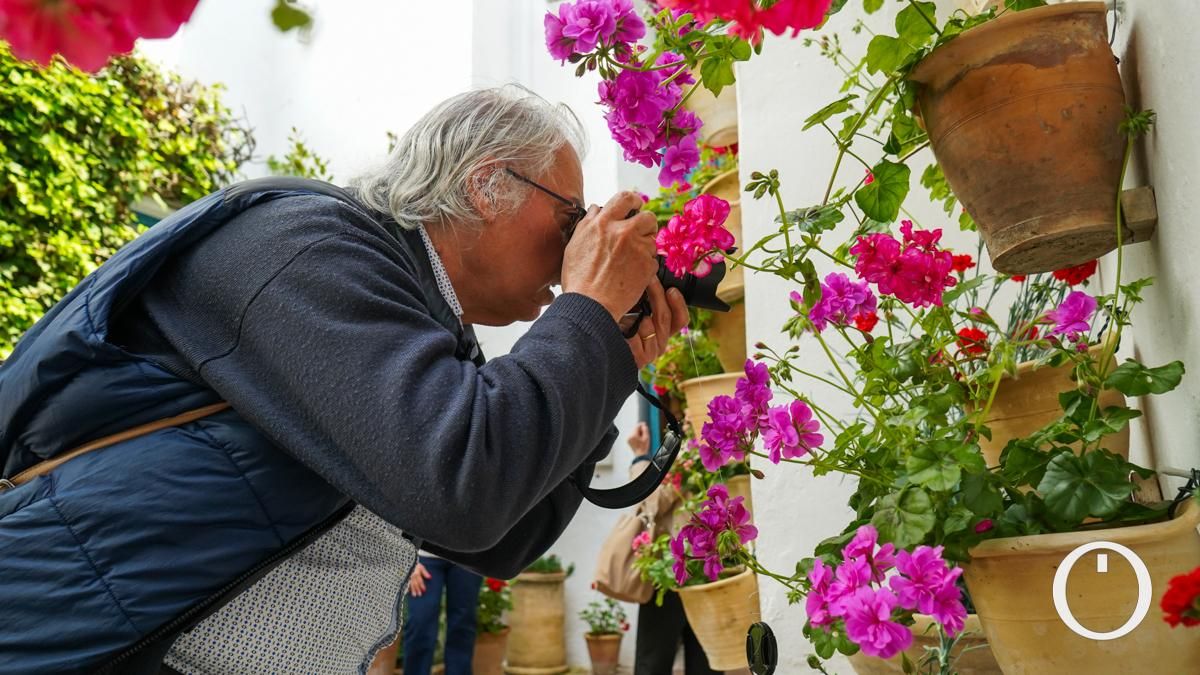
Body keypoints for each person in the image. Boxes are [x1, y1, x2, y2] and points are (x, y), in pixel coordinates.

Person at [0, 86, 689, 673]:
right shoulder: (306, 247)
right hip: (91, 647)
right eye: (573, 214)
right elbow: (458, 483)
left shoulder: (423, 323)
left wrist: (607, 358)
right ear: (486, 185)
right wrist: (585, 315)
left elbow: (501, 531)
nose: (578, 240)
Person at [627, 423, 721, 675]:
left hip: (674, 567)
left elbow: (651, 500)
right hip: (711, 569)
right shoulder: (722, 446)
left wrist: (639, 455)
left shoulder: (687, 451)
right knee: (707, 663)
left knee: (653, 662)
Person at [403, 554, 483, 675]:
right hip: (423, 554)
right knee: (420, 623)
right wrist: (407, 557)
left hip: (470, 556)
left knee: (462, 627)